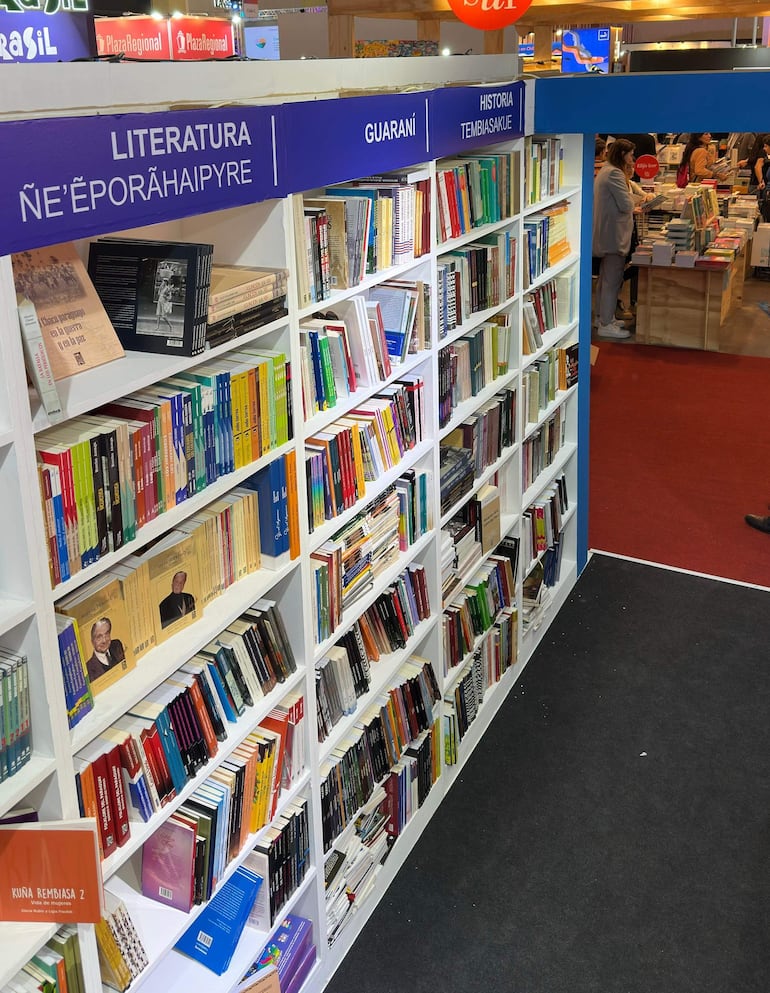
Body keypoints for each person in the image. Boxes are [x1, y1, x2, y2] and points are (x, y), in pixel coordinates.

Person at [592, 138, 636, 340]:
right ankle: (606, 323)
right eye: (630, 154)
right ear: (622, 154)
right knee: (612, 279)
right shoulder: (616, 174)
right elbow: (627, 205)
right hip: (614, 235)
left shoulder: (606, 171)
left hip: (606, 232)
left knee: (605, 279)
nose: (632, 158)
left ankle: (602, 316)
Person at [86, 617, 126, 687]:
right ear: (92, 641)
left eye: (107, 634)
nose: (104, 640)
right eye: (99, 637)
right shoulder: (88, 669)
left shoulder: (117, 645)